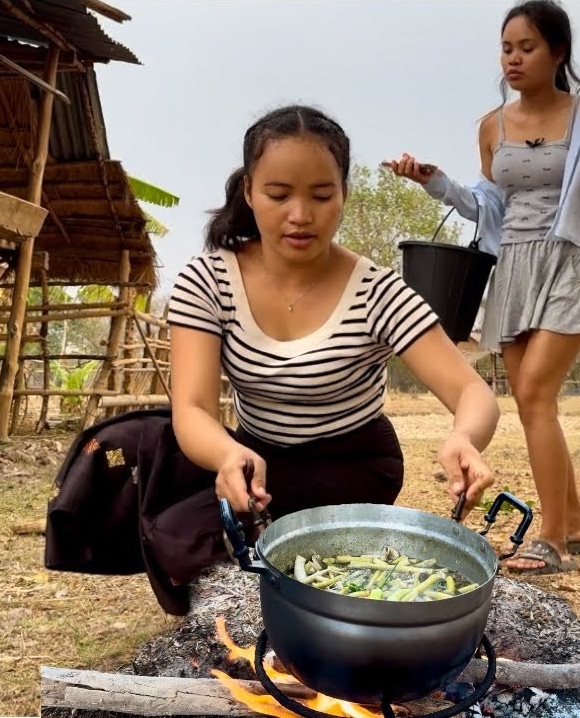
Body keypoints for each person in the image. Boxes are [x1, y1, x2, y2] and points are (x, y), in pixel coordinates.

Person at [385, 0, 580, 575]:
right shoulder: (493, 126)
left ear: (557, 53)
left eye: (526, 47)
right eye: (506, 48)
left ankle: (552, 540)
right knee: (536, 401)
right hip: (511, 267)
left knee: (534, 393)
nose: (513, 59)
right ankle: (577, 525)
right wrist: (434, 181)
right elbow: (487, 206)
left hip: (569, 261)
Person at [168, 105, 500, 527]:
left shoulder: (376, 292)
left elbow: (472, 391)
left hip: (353, 472)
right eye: (279, 194)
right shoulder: (208, 280)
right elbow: (192, 408)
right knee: (188, 551)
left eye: (322, 196)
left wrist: (464, 437)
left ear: (343, 192)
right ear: (249, 191)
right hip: (252, 465)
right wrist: (227, 453)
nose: (301, 215)